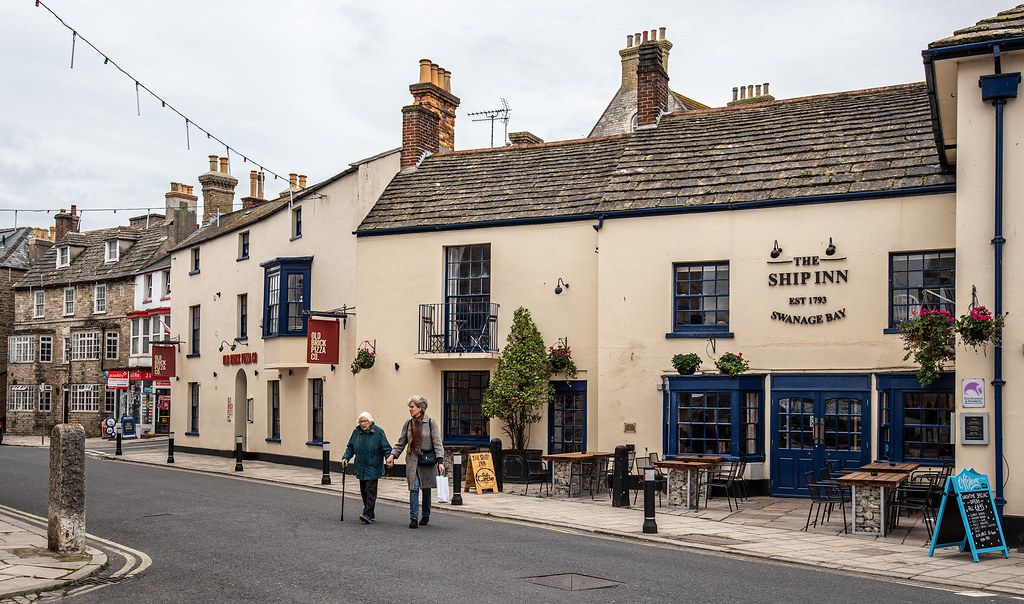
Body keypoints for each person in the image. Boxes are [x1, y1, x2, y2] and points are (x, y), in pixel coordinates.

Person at [386, 395, 444, 528]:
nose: (410, 409)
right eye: (409, 407)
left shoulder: (430, 423)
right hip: (413, 460)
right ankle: (413, 518)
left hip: (427, 460)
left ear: (420, 408)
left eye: (412, 407)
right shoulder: (408, 423)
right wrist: (392, 456)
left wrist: (440, 461)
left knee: (426, 488)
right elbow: (401, 442)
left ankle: (425, 515)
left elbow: (437, 443)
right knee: (414, 488)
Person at [342, 411, 392, 524]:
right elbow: (350, 447)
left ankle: (367, 513)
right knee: (364, 491)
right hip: (361, 466)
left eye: (365, 421)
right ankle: (370, 512)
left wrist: (389, 458)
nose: (363, 424)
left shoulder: (378, 432)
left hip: (373, 466)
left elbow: (386, 448)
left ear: (370, 422)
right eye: (361, 421)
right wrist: (346, 458)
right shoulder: (356, 432)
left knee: (370, 490)